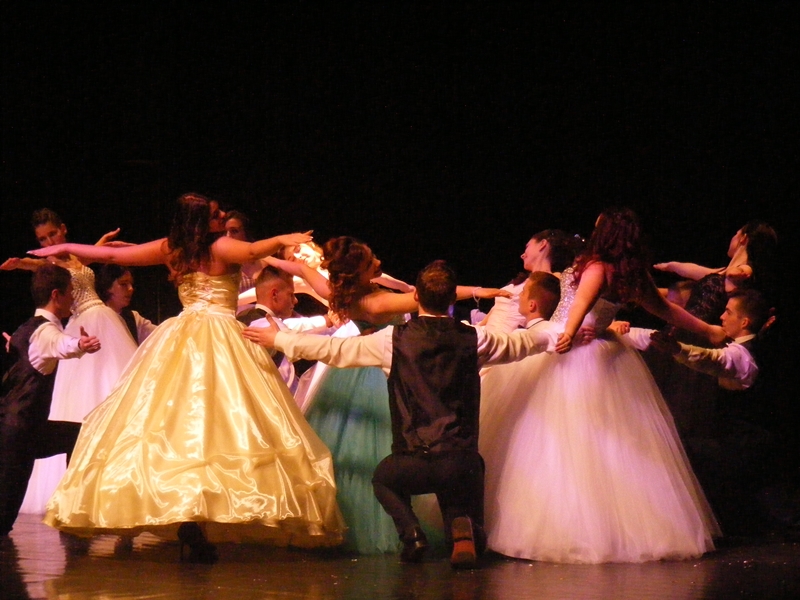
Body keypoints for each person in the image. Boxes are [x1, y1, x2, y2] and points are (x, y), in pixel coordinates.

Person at [29, 192, 344, 563]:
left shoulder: (173, 249)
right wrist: (281, 239)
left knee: (181, 427)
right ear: (200, 222)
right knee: (219, 426)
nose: (222, 216)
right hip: (220, 337)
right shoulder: (220, 247)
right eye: (215, 213)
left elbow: (114, 256)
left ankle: (193, 518)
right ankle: (197, 517)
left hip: (183, 336)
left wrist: (66, 247)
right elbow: (252, 249)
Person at [243, 260, 559, 568]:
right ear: (452, 298)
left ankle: (412, 533)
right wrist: (560, 333)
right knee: (462, 473)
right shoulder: (476, 338)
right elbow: (524, 342)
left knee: (383, 479)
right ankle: (462, 527)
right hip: (461, 460)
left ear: (416, 296)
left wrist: (279, 338)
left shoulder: (392, 341)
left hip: (414, 459)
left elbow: (333, 350)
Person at [480, 207, 726, 564]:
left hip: (575, 350)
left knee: (565, 440)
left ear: (606, 233)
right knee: (602, 444)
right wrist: (708, 330)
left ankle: (570, 528)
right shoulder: (630, 274)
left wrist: (566, 334)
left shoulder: (596, 267)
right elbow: (665, 310)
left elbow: (581, 303)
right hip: (600, 349)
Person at [265, 236, 509, 555]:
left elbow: (300, 269)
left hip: (354, 366)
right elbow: (430, 295)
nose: (378, 262)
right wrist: (479, 291)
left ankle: (411, 525)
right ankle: (421, 525)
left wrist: (267, 256)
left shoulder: (336, 292)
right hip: (382, 370)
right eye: (371, 262)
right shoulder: (377, 303)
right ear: (358, 272)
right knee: (398, 440)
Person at [2, 209, 139, 515]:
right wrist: (20, 263)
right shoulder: (50, 264)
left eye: (52, 234)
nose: (49, 241)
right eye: (42, 238)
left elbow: (90, 258)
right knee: (87, 399)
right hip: (82, 325)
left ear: (63, 229)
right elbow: (37, 264)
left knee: (121, 390)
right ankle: (79, 493)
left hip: (104, 319)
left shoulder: (75, 257)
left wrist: (105, 243)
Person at [1, 264, 101, 536]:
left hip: (24, 428)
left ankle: (71, 509)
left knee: (78, 435)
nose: (73, 298)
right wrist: (80, 345)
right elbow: (59, 343)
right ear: (56, 295)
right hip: (20, 431)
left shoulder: (26, 328)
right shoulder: (44, 331)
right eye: (70, 292)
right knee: (4, 516)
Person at [237, 266, 334, 393]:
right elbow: (306, 345)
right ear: (274, 294)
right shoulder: (270, 326)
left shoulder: (241, 317)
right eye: (291, 294)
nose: (295, 300)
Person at [477, 229, 582, 333]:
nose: (522, 255)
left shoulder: (554, 281)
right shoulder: (521, 281)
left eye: (527, 247)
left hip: (510, 338)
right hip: (487, 334)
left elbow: (567, 311)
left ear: (542, 244)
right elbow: (497, 310)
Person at [95, 264, 157, 345]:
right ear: (108, 287)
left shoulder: (133, 318)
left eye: (131, 284)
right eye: (123, 284)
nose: (131, 288)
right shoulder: (96, 317)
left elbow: (160, 333)